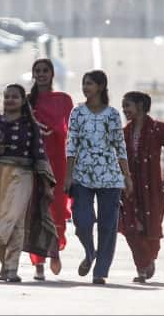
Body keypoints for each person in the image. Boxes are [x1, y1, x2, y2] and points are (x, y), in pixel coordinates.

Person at [0, 83, 58, 283]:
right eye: (7, 96)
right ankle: (5, 267)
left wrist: (46, 186)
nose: (10, 100)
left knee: (13, 220)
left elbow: (40, 155)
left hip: (22, 175)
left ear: (23, 101)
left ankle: (12, 268)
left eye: (14, 96)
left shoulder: (30, 126)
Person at [64, 70, 132, 285]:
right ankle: (89, 252)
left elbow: (119, 146)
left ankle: (100, 271)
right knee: (82, 220)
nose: (85, 87)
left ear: (101, 87)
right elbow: (71, 145)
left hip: (110, 176)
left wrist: (127, 175)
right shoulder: (77, 112)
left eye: (90, 84)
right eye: (84, 83)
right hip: (82, 175)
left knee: (107, 225)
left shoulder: (112, 114)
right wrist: (68, 175)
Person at [119, 91, 164, 283]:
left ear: (140, 106)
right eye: (123, 106)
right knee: (130, 229)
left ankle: (149, 259)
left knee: (151, 228)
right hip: (129, 189)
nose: (124, 110)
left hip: (152, 189)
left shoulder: (158, 129)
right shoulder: (124, 132)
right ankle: (142, 269)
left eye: (127, 106)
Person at [26, 58, 73, 281]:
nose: (41, 74)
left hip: (58, 161)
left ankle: (54, 250)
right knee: (36, 210)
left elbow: (73, 130)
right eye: (38, 71)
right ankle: (38, 263)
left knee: (57, 208)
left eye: (45, 70)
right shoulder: (27, 101)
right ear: (33, 74)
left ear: (52, 74)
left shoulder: (63, 100)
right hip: (35, 162)